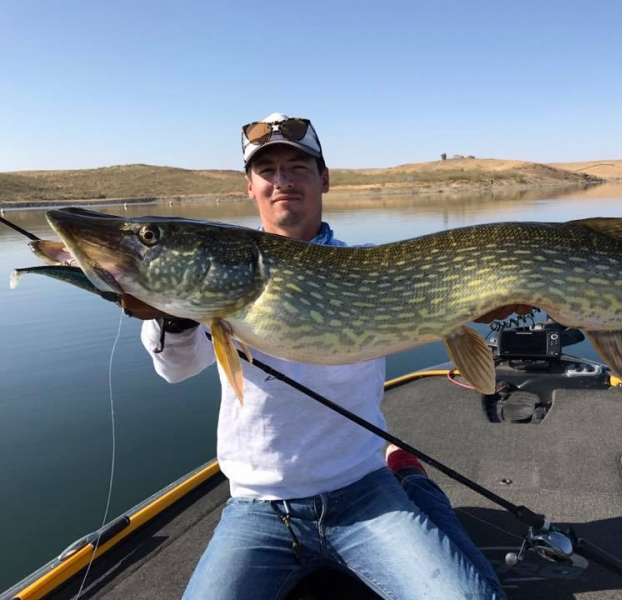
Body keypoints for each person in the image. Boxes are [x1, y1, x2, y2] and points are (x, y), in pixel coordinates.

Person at [122, 112, 527, 600]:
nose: (282, 181)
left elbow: (459, 287)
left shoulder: (370, 261)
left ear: (324, 179)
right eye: (267, 171)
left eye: (298, 167)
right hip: (258, 507)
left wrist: (487, 296)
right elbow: (176, 368)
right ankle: (413, 482)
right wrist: (174, 315)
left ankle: (413, 485)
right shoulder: (222, 274)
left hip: (362, 491)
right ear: (249, 187)